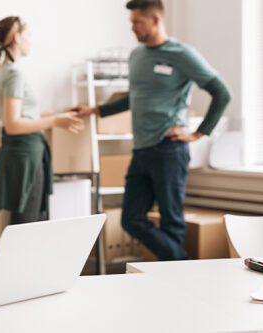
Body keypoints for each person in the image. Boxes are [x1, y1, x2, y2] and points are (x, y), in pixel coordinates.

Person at [72, 0, 231, 260]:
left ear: (156, 19)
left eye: (137, 22)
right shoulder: (137, 56)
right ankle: (183, 265)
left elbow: (222, 93)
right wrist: (96, 110)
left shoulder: (182, 54)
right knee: (130, 219)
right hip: (142, 150)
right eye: (131, 22)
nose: (132, 27)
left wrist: (198, 133)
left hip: (170, 149)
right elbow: (134, 98)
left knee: (172, 222)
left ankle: (175, 276)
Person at [0, 16, 84, 224]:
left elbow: (13, 119)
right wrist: (55, 121)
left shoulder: (2, 71)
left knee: (24, 222)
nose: (31, 40)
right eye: (28, 35)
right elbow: (13, 124)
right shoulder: (14, 74)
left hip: (19, 153)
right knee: (29, 223)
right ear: (17, 37)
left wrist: (44, 117)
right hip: (26, 155)